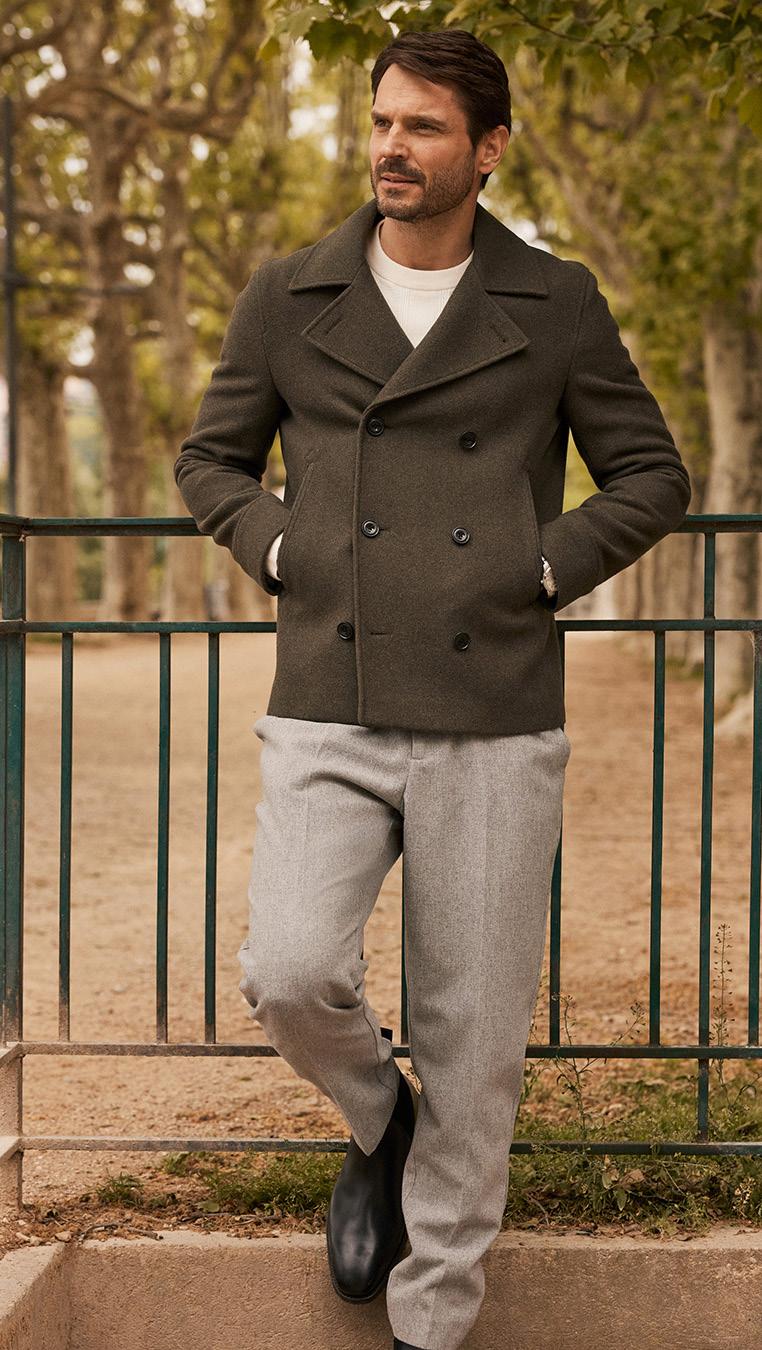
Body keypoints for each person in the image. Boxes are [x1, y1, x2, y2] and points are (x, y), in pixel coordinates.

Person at [173, 27, 692, 1350]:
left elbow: (649, 474)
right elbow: (209, 460)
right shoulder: (289, 293)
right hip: (328, 693)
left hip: (494, 704)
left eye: (424, 127)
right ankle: (379, 1121)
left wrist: (536, 566)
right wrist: (282, 547)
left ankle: (433, 1319)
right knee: (289, 969)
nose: (391, 148)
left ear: (488, 148)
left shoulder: (553, 299)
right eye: (381, 121)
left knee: (474, 1034)